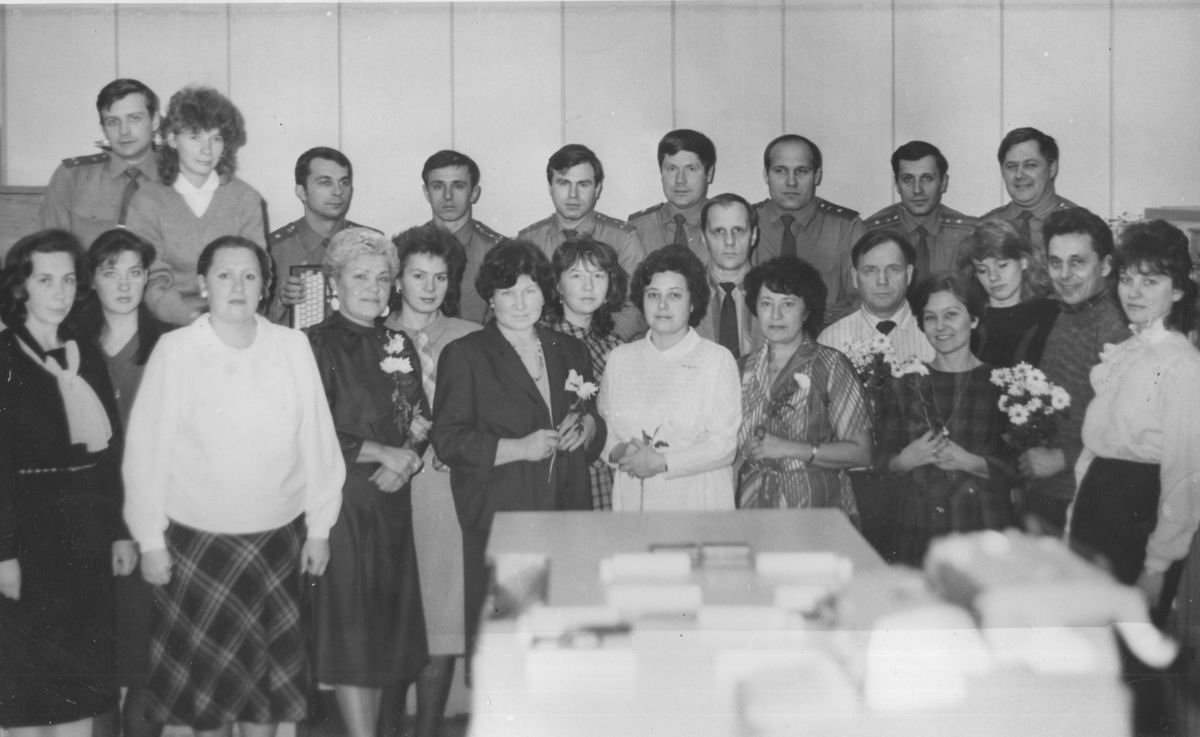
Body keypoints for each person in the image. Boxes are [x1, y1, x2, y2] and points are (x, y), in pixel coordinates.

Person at [122, 236, 344, 734]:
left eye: (249, 276)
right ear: (203, 285)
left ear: (266, 286)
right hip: (197, 546)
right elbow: (146, 453)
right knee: (206, 707)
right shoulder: (176, 351)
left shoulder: (292, 346)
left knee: (266, 706)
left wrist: (319, 528)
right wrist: (150, 539)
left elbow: (317, 441)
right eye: (224, 275)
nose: (237, 286)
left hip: (276, 544)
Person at [430, 240, 603, 656]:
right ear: (491, 298)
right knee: (510, 647)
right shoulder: (465, 354)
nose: (521, 303)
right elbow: (448, 439)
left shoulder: (571, 350)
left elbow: (594, 422)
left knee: (563, 643)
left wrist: (588, 427)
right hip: (504, 513)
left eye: (530, 290)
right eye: (508, 293)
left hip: (566, 511)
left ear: (546, 293)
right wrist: (518, 447)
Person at [0, 230, 132, 737]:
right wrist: (4, 552)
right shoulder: (5, 355)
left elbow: (110, 454)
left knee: (79, 674)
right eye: (45, 280)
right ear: (20, 288)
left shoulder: (85, 354)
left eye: (69, 280)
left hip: (85, 532)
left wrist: (119, 532)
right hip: (26, 533)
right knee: (25, 680)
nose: (59, 292)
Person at [306, 228, 429, 737]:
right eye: (360, 277)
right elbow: (309, 430)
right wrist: (382, 453)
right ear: (334, 283)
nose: (373, 288)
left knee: (385, 634)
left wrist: (408, 460)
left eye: (382, 278)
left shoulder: (398, 342)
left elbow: (421, 417)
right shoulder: (313, 344)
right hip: (344, 505)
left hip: (392, 502)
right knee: (352, 634)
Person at [1069, 220, 1200, 622]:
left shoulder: (1183, 364)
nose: (1134, 292)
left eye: (1150, 281)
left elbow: (1185, 475)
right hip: (1097, 505)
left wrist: (1157, 565)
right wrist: (1074, 519)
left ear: (1177, 290)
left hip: (1139, 516)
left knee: (1130, 643)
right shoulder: (1126, 351)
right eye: (1126, 279)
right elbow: (1094, 451)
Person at [71, 229, 172, 737]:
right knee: (96, 665)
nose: (124, 284)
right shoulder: (69, 344)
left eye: (135, 271)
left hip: (152, 519)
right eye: (111, 272)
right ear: (92, 279)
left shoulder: (169, 345)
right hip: (86, 521)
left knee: (148, 662)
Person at [379, 225, 479, 737]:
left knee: (441, 615)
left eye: (440, 277)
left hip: (443, 493)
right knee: (390, 619)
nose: (429, 287)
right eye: (418, 275)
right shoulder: (371, 333)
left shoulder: (469, 336)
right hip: (385, 491)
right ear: (398, 278)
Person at [874, 272, 1016, 566]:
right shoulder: (903, 383)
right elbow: (879, 461)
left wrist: (972, 462)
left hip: (983, 525)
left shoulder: (1003, 384)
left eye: (951, 315)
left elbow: (1023, 466)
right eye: (930, 318)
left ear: (973, 319)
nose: (940, 326)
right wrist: (903, 461)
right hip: (918, 527)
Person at [598, 244, 741, 511]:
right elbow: (605, 432)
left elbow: (724, 445)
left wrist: (662, 462)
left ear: (693, 302)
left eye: (674, 295)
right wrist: (621, 451)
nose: (662, 305)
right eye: (653, 295)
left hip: (697, 500)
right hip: (634, 498)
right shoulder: (619, 358)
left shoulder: (717, 360)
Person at [818, 229, 934, 557]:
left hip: (922, 485)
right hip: (855, 488)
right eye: (870, 271)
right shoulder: (831, 340)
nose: (882, 281)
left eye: (892, 269)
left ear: (909, 274)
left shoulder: (934, 332)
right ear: (855, 277)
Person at [1017, 207, 1129, 533]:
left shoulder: (1115, 327)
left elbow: (1130, 431)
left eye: (1077, 262)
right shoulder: (1068, 311)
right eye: (1056, 263)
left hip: (1086, 498)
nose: (1064, 274)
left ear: (1105, 265)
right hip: (1050, 489)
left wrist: (1063, 458)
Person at [736, 255, 872, 520]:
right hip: (751, 506)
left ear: (806, 310)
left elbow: (862, 452)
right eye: (766, 303)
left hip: (814, 507)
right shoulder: (740, 368)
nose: (775, 315)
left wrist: (790, 448)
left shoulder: (831, 365)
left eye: (787, 304)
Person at [126, 86, 266, 325]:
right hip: (168, 322)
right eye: (194, 137)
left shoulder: (246, 199)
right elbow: (152, 279)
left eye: (216, 138)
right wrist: (192, 321)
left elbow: (256, 273)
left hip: (234, 318)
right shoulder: (147, 201)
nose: (206, 150)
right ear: (172, 139)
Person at [517, 144, 645, 339]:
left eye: (583, 185)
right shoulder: (528, 241)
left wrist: (600, 346)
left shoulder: (622, 239)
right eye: (563, 183)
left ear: (597, 189)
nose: (573, 195)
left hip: (607, 345)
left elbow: (635, 306)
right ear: (550, 187)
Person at [541, 236, 628, 511]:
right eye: (576, 275)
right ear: (558, 284)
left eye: (598, 275)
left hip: (610, 477)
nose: (589, 286)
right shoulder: (541, 340)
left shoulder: (617, 346)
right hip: (559, 477)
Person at [39, 79, 161, 248]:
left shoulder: (178, 177)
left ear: (155, 121)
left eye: (134, 118)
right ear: (103, 128)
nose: (124, 131)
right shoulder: (72, 177)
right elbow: (52, 250)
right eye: (113, 122)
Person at [754, 134, 863, 321]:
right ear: (766, 175)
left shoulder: (845, 227)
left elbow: (863, 297)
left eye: (802, 171)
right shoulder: (746, 222)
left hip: (828, 331)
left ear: (817, 176)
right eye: (780, 171)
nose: (791, 182)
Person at [268, 147, 368, 324]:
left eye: (344, 182)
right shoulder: (275, 249)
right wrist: (281, 303)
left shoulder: (369, 243)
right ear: (301, 192)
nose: (338, 191)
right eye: (325, 182)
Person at [862, 141, 977, 277]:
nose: (917, 190)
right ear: (897, 184)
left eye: (927, 178)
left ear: (943, 183)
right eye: (908, 179)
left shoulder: (968, 234)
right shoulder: (871, 233)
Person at [960, 218, 1059, 367]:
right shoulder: (967, 319)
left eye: (1002, 265)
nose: (993, 277)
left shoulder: (1052, 313)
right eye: (982, 270)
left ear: (1024, 261)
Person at [420, 150, 504, 323]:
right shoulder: (409, 249)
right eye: (438, 186)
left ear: (474, 193)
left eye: (458, 186)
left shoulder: (498, 251)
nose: (448, 196)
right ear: (426, 193)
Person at [981, 127, 1078, 253]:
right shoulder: (986, 226)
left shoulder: (1078, 224)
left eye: (1030, 165)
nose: (1019, 175)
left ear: (1052, 169)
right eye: (1011, 166)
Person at [694, 193, 764, 358]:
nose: (730, 241)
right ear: (704, 237)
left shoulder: (776, 293)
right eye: (718, 231)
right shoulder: (686, 293)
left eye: (738, 230)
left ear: (753, 235)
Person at [628, 129, 716, 260]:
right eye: (672, 169)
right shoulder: (638, 228)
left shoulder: (725, 224)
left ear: (709, 174)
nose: (680, 180)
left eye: (691, 169)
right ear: (661, 173)